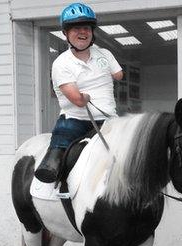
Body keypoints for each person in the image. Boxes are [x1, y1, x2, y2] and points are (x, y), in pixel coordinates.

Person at [35, 2, 123, 183]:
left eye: (86, 28)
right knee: (58, 150)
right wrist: (88, 96)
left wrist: (103, 65)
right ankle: (59, 187)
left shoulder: (103, 54)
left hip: (109, 119)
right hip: (75, 120)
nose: (82, 32)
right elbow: (78, 100)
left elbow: (119, 75)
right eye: (76, 28)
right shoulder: (61, 63)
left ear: (92, 32)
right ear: (65, 33)